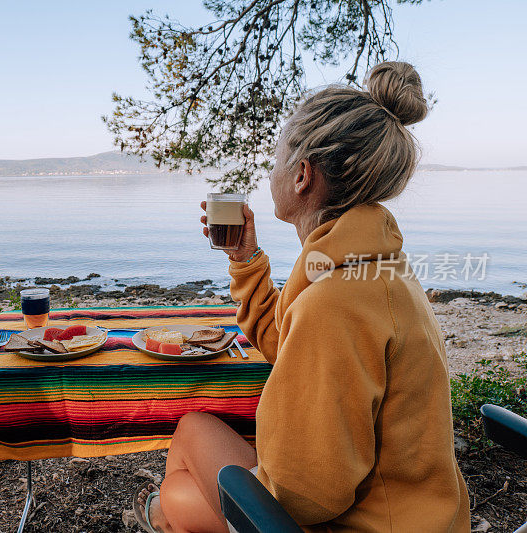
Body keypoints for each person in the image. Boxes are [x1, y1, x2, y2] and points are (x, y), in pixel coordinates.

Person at [132, 61, 471, 532]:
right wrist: (246, 259)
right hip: (421, 514)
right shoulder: (365, 264)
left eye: (277, 159)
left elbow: (306, 498)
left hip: (364, 524)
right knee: (176, 497)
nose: (271, 170)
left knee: (189, 441)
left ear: (302, 176)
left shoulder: (333, 300)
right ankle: (165, 518)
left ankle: (164, 521)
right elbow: (285, 340)